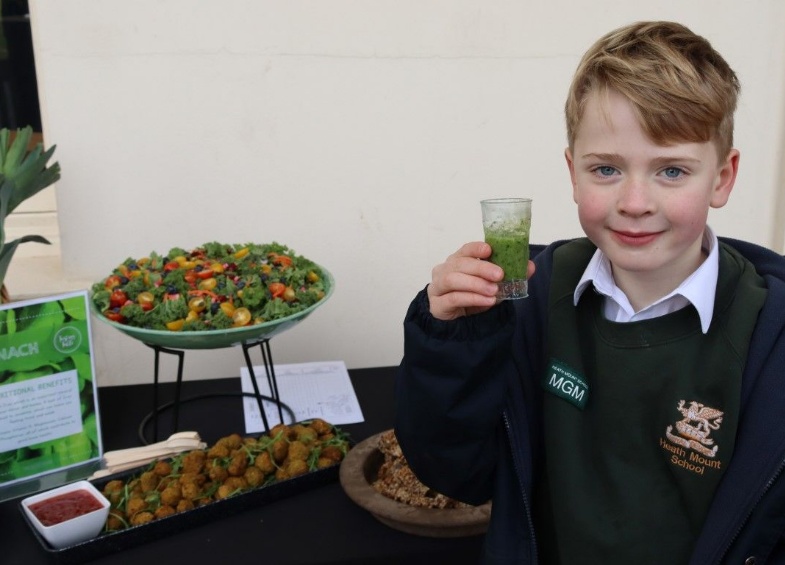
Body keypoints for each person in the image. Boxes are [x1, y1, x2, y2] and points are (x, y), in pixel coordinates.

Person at [395, 20, 785, 565]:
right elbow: (458, 473)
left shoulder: (769, 337)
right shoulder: (529, 296)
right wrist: (453, 340)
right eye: (606, 169)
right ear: (573, 174)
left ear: (722, 178)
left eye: (672, 170)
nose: (634, 201)